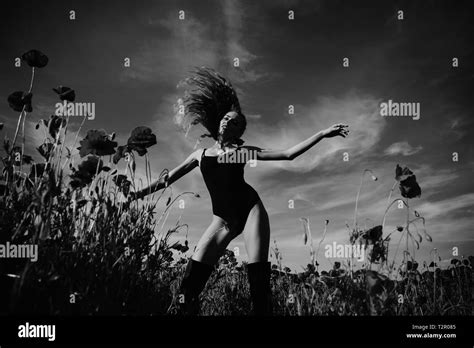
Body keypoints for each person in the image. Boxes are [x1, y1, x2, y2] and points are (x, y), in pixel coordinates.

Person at [133, 67, 349, 315]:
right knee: (190, 284)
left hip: (249, 210)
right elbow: (165, 181)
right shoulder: (200, 155)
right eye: (226, 118)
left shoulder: (242, 151)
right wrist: (135, 195)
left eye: (235, 122)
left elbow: (288, 155)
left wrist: (322, 134)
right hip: (222, 219)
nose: (228, 121)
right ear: (219, 123)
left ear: (239, 132)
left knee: (258, 281)